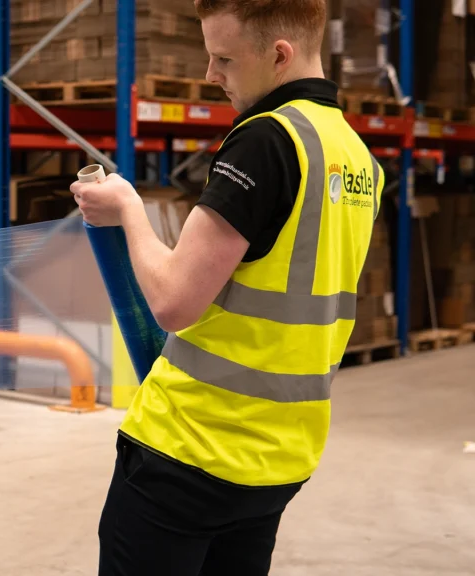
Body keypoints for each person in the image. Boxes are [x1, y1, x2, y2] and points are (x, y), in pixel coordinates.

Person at [71, 0, 385, 574]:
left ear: (279, 55)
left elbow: (173, 301)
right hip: (278, 456)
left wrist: (128, 209)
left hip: (190, 448)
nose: (210, 75)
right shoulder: (356, 156)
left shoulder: (266, 139)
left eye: (223, 58)